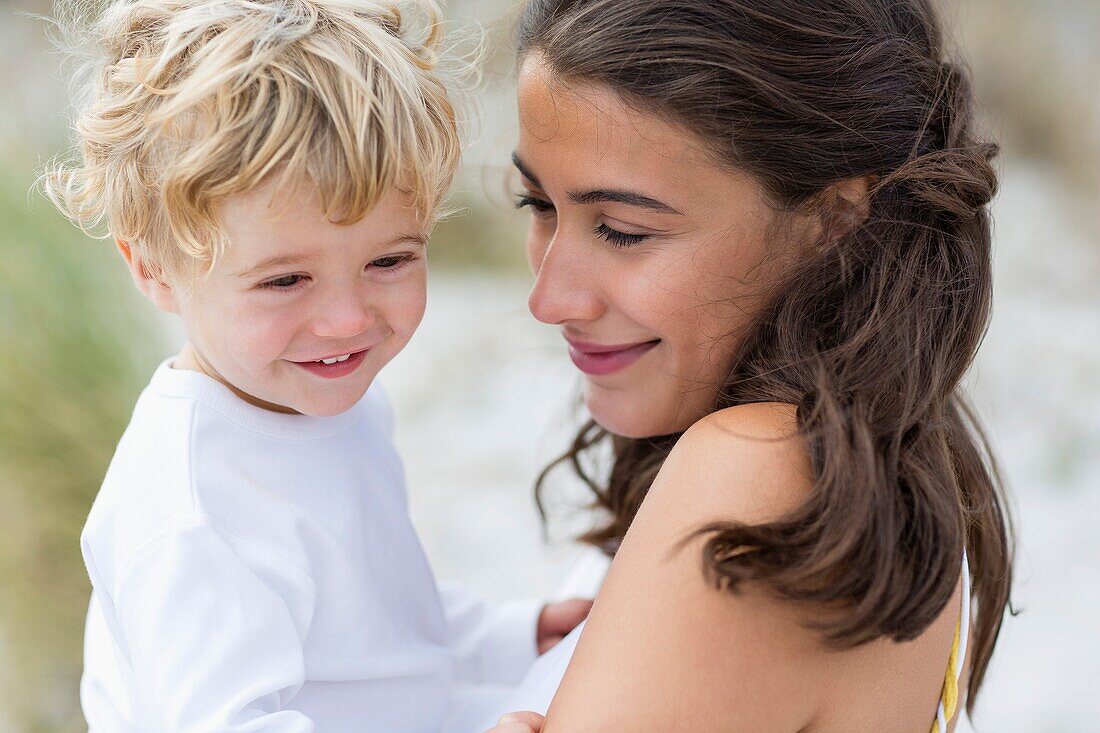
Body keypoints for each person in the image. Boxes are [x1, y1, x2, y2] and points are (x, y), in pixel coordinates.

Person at [41, 1, 589, 730]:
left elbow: (375, 620)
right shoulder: (191, 507)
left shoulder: (322, 395)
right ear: (156, 271)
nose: (347, 319)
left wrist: (509, 636)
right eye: (283, 280)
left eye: (389, 260)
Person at [488, 0, 1013, 731]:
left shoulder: (762, 476)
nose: (548, 298)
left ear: (832, 220)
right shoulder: (885, 459)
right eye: (536, 203)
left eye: (623, 230)